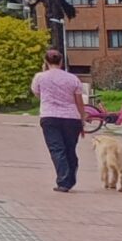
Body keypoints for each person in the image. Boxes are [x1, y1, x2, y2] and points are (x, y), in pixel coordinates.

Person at [31, 48, 90, 193]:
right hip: (71, 117)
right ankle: (70, 178)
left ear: (45, 61)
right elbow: (78, 100)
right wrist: (82, 117)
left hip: (49, 116)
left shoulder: (40, 77)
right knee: (70, 148)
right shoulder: (73, 79)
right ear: (61, 61)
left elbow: (37, 93)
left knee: (57, 148)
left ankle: (63, 181)